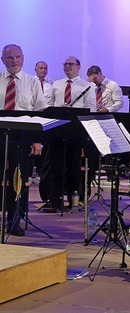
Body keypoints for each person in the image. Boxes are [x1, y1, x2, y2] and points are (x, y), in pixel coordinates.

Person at [0, 44, 47, 236]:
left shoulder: (31, 82)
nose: (14, 61)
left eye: (18, 57)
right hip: (0, 133)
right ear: (3, 60)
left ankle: (15, 219)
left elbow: (39, 112)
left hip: (22, 137)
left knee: (18, 179)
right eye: (10, 58)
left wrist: (37, 140)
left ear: (23, 59)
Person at [40, 56, 96, 210]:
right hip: (57, 129)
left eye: (71, 64)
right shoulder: (56, 84)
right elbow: (47, 104)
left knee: (73, 164)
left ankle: (73, 198)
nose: (68, 67)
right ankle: (55, 199)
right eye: (65, 64)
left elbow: (91, 108)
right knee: (55, 164)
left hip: (75, 130)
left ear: (78, 67)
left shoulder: (88, 86)